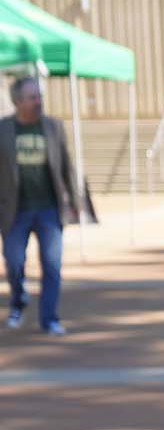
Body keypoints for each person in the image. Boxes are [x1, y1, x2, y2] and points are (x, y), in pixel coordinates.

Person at [1, 73, 79, 337]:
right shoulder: (3, 130)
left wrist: (73, 201)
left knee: (52, 264)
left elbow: (66, 166)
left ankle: (49, 318)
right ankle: (18, 300)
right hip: (14, 211)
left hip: (48, 209)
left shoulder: (53, 127)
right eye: (32, 98)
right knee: (13, 262)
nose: (38, 102)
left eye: (39, 97)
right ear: (17, 102)